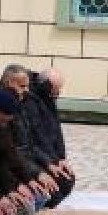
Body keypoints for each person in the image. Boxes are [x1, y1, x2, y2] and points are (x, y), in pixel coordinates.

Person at [0, 65, 61, 207]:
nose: (27, 91)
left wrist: (49, 164)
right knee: (23, 205)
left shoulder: (21, 105)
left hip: (19, 169)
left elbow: (18, 149)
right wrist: (7, 193)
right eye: (23, 86)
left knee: (49, 189)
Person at [0, 88, 41, 215]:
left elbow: (7, 159)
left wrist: (22, 185)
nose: (4, 125)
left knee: (31, 202)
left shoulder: (0, 128)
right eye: (2, 121)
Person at [28, 67, 76, 206]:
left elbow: (56, 130)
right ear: (46, 86)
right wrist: (50, 163)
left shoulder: (48, 99)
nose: (58, 94)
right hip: (36, 159)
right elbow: (35, 139)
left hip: (48, 156)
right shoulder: (31, 102)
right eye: (56, 90)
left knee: (66, 179)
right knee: (53, 191)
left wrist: (60, 158)